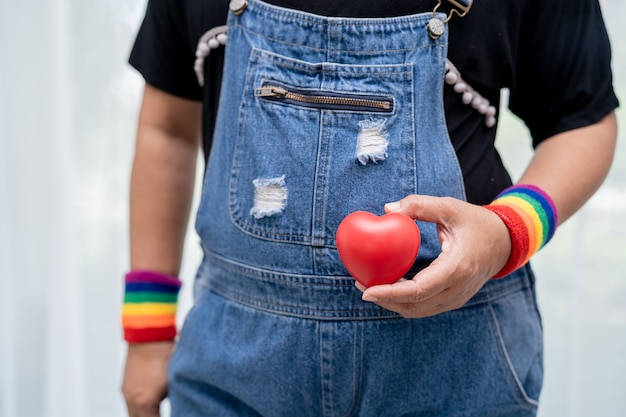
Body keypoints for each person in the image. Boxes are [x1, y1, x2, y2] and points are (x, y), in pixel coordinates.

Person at [121, 0, 618, 416]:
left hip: (456, 366)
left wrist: (507, 232)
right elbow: (167, 130)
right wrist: (147, 330)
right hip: (231, 368)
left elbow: (582, 120)